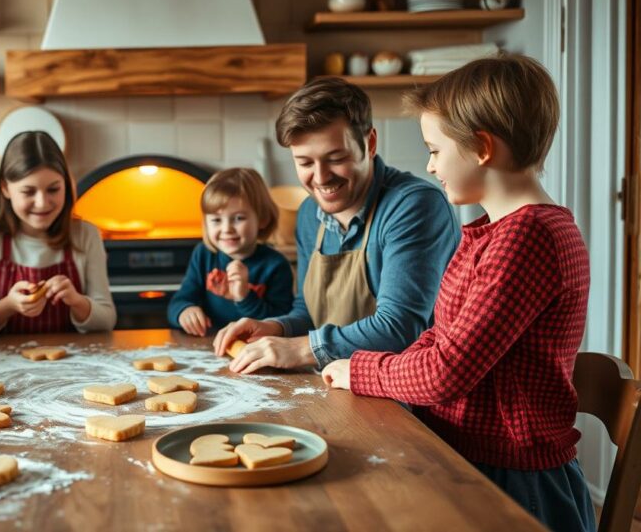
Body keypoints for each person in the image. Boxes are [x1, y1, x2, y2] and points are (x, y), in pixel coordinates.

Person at [321, 55, 596, 532]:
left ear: (482, 148)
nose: (430, 165)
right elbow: (438, 338)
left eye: (434, 149)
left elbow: (446, 371)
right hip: (470, 459)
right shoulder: (496, 233)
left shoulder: (527, 238)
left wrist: (361, 369)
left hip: (514, 483)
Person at [213, 77, 461, 373]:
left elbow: (399, 327)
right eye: (305, 163)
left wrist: (299, 348)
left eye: (336, 158)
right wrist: (274, 329)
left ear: (369, 144)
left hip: (409, 400)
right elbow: (311, 313)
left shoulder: (414, 206)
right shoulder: (308, 213)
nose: (320, 178)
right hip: (339, 384)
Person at [0, 131, 116, 334]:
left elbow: (107, 319)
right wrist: (8, 306)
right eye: (28, 192)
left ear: (66, 184)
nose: (42, 203)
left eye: (53, 189)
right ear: (5, 188)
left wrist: (77, 301)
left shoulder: (85, 235)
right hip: (5, 363)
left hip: (73, 361)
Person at [167, 167, 293, 335]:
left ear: (262, 219)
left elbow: (281, 323)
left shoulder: (276, 265)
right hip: (208, 346)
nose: (227, 229)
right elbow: (180, 300)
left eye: (239, 218)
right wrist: (184, 311)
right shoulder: (204, 255)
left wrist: (244, 296)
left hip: (255, 349)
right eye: (216, 220)